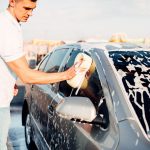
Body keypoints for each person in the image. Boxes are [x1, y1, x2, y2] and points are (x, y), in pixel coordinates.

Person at [0, 0, 82, 149]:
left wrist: (8, 79)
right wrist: (66, 75)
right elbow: (27, 76)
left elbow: (19, 66)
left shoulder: (13, 25)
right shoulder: (6, 28)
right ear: (12, 1)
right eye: (26, 8)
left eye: (33, 9)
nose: (30, 13)